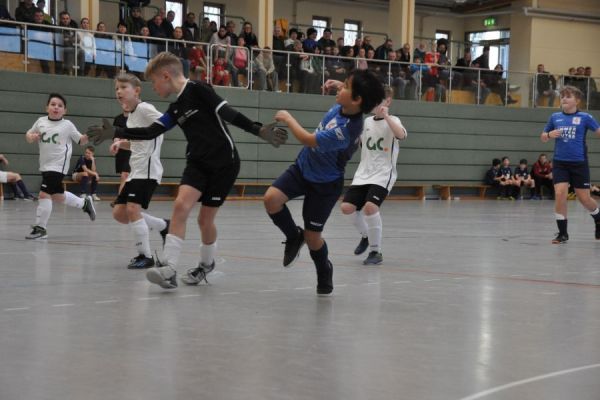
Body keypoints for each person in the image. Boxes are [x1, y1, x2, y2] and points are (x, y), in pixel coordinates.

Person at [87, 52, 287, 289]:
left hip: (224, 163)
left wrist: (259, 130)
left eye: (154, 82)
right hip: (197, 163)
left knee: (205, 220)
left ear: (166, 75)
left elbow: (227, 113)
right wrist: (117, 133)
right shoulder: (175, 108)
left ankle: (205, 264)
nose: (154, 87)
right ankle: (169, 268)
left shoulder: (198, 89)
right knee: (181, 205)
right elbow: (151, 132)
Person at [263, 70, 385, 296]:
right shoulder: (347, 105)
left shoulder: (347, 129)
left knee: (313, 237)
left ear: (357, 100)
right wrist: (340, 84)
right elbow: (354, 94)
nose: (340, 89)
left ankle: (324, 269)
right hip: (302, 168)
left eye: (345, 87)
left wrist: (289, 119)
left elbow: (309, 140)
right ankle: (292, 237)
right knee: (271, 199)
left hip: (325, 184)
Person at [339, 86, 407, 265]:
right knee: (346, 208)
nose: (376, 105)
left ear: (388, 101)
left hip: (384, 173)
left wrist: (386, 116)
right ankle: (365, 236)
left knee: (370, 207)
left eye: (380, 101)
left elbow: (401, 135)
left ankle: (376, 251)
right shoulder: (366, 122)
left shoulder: (393, 120)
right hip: (364, 173)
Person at [110, 73, 169, 269]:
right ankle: (163, 226)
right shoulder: (132, 116)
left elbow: (164, 122)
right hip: (136, 171)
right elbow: (138, 143)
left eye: (123, 87)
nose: (119, 91)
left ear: (136, 91)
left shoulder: (144, 108)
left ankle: (145, 255)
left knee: (133, 209)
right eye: (117, 88)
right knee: (119, 213)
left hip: (148, 170)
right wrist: (122, 144)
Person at [24, 93, 96, 240]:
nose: (56, 107)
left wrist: (90, 134)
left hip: (58, 166)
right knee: (57, 195)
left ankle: (41, 228)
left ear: (65, 110)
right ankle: (84, 203)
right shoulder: (40, 121)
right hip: (44, 165)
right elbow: (29, 135)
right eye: (53, 104)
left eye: (60, 105)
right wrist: (30, 137)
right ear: (47, 108)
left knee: (44, 194)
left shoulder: (67, 125)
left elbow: (81, 141)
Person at [540, 85, 600, 244]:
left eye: (568, 96)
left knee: (584, 199)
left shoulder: (585, 117)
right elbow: (543, 137)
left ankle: (598, 219)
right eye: (562, 96)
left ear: (577, 101)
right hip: (560, 163)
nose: (564, 99)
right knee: (560, 194)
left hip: (579, 163)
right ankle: (563, 233)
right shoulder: (555, 117)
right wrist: (549, 134)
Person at [112, 111, 131, 201]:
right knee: (124, 176)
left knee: (125, 175)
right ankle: (125, 198)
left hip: (131, 149)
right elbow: (116, 135)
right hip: (121, 151)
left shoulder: (135, 117)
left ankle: (120, 200)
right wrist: (115, 144)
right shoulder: (118, 119)